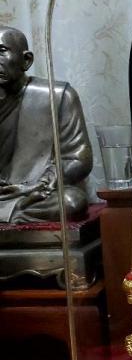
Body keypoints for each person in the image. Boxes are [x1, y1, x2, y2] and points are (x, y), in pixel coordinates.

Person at [0, 25, 92, 223]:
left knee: (71, 201)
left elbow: (77, 158)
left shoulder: (57, 97)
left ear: (26, 60)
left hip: (32, 193)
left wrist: (40, 183)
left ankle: (13, 213)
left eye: (1, 51)